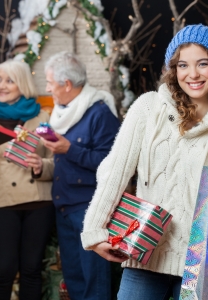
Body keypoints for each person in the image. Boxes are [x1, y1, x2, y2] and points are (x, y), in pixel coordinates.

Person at [80, 24, 208, 299]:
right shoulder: (148, 107)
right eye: (183, 65)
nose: (193, 74)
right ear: (173, 70)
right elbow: (114, 171)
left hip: (200, 263)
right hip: (145, 252)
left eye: (203, 64)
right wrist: (94, 230)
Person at [0, 60, 54, 300]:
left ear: (22, 84)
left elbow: (56, 162)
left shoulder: (42, 118)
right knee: (4, 270)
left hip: (38, 202)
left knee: (31, 270)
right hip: (2, 203)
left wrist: (41, 166)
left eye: (9, 80)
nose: (2, 86)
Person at [39, 51, 120, 300]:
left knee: (95, 284)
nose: (47, 88)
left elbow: (112, 163)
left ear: (67, 84)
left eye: (50, 83)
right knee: (74, 280)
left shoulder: (100, 114)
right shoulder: (61, 114)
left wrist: (69, 149)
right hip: (65, 208)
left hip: (89, 210)